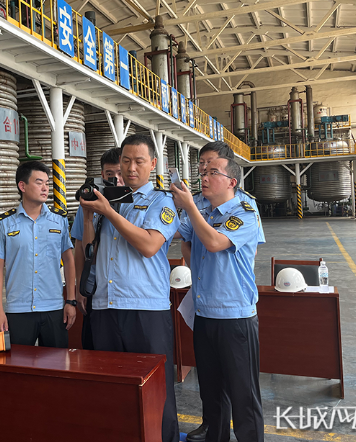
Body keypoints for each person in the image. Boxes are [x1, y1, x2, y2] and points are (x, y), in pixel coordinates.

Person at [79, 134, 180, 442]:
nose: (131, 167)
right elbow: (89, 249)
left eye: (139, 161)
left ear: (153, 164)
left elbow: (149, 245)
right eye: (126, 161)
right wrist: (88, 216)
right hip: (105, 305)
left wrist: (109, 213)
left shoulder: (162, 202)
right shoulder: (109, 199)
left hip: (145, 308)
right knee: (111, 388)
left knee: (156, 390)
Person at [171, 156, 264, 442]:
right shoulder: (205, 213)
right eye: (204, 172)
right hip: (204, 314)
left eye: (213, 172)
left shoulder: (245, 212)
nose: (205, 177)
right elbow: (175, 233)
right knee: (211, 391)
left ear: (231, 181)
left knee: (243, 394)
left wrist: (189, 207)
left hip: (235, 317)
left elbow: (214, 243)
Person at [0, 161, 76, 347]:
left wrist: (71, 301)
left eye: (47, 183)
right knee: (18, 362)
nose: (45, 188)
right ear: (22, 186)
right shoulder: (5, 223)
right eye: (39, 182)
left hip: (54, 308)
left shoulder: (59, 220)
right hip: (19, 310)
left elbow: (68, 260)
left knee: (56, 362)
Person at [72, 147, 124, 350]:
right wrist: (81, 286)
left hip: (126, 291)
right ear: (102, 175)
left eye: (120, 173)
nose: (115, 179)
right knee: (95, 349)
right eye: (110, 174)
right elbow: (80, 247)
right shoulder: (88, 204)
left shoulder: (137, 203)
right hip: (96, 288)